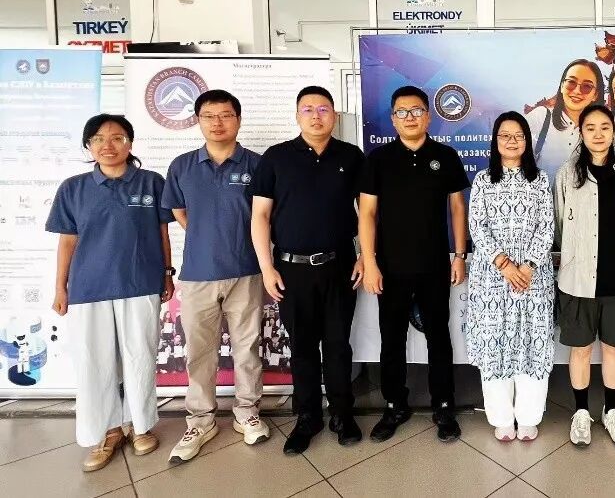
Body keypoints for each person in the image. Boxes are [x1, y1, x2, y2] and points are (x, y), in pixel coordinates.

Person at [45, 114, 175, 472]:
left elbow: (162, 233)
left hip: (140, 283)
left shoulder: (151, 183)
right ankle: (107, 431)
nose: (108, 145)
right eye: (99, 139)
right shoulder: (73, 188)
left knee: (140, 357)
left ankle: (140, 426)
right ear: (88, 146)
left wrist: (167, 274)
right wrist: (60, 287)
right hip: (89, 288)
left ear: (130, 143)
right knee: (94, 362)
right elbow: (67, 240)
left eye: (117, 138)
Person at [248, 85, 366, 454]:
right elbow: (260, 216)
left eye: (324, 109)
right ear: (297, 115)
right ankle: (308, 417)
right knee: (302, 346)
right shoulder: (276, 158)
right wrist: (266, 267)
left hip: (340, 266)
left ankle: (342, 414)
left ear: (335, 116)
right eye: (308, 109)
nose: (316, 116)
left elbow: (367, 212)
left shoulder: (351, 156)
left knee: (337, 344)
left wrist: (366, 255)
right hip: (291, 270)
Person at [162, 90, 270, 464]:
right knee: (199, 352)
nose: (217, 122)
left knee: (247, 348)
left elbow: (266, 215)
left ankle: (247, 413)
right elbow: (178, 211)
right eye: (209, 116)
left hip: (247, 271)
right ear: (198, 120)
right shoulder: (182, 166)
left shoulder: (257, 165)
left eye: (225, 115)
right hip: (197, 274)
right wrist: (205, 236)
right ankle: (201, 421)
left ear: (238, 120)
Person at [359, 85, 470, 443]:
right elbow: (367, 213)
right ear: (393, 119)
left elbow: (457, 208)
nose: (410, 117)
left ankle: (443, 404)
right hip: (389, 266)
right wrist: (370, 261)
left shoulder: (445, 156)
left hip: (435, 264)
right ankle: (395, 405)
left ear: (428, 115)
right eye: (402, 112)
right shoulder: (377, 159)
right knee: (391, 337)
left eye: (417, 110)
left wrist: (459, 255)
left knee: (439, 335)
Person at [555, 105, 615, 448]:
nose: (597, 133)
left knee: (613, 349)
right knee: (580, 350)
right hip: (577, 279)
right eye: (590, 127)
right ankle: (581, 412)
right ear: (580, 132)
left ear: (613, 131)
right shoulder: (567, 173)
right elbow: (560, 223)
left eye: (604, 127)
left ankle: (612, 411)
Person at [465, 112, 556, 442]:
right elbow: (477, 226)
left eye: (519, 135)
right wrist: (504, 265)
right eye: (505, 135)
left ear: (527, 141)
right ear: (495, 141)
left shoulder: (540, 180)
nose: (512, 141)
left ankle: (529, 416)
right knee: (496, 343)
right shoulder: (483, 181)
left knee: (531, 342)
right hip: (493, 278)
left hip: (533, 278)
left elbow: (547, 226)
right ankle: (502, 417)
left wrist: (528, 266)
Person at [525, 59, 605, 182]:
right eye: (571, 82)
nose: (577, 91)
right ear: (562, 86)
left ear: (595, 94)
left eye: (587, 86)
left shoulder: (601, 133)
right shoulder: (540, 118)